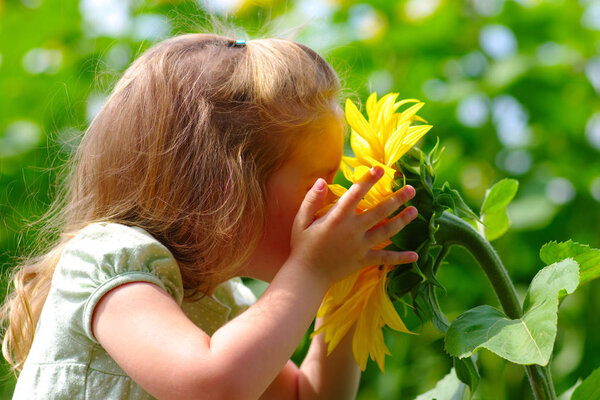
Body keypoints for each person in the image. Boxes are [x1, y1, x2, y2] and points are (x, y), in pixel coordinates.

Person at [0, 33, 418, 399]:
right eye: (321, 182)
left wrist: (349, 289)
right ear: (229, 189)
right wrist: (311, 271)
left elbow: (306, 397)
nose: (338, 201)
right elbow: (213, 389)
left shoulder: (224, 302)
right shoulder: (110, 260)